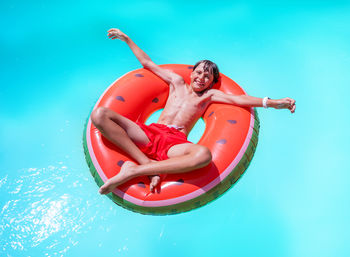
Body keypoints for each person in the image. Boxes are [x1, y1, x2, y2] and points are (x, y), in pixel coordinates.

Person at [92, 28, 296, 195]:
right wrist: (127, 39)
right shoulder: (176, 82)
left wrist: (274, 102)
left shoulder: (209, 97)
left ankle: (136, 170)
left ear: (212, 82)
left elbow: (238, 99)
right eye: (199, 72)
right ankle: (145, 163)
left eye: (207, 76)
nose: (201, 77)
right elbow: (148, 63)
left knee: (204, 155)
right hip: (149, 133)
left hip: (175, 142)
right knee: (100, 115)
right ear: (192, 73)